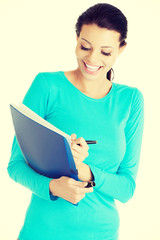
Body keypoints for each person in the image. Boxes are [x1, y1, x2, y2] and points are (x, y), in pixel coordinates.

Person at [8, 3, 144, 240]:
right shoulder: (47, 86)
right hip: (42, 233)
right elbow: (15, 166)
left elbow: (127, 188)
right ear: (77, 39)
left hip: (101, 234)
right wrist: (53, 187)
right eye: (85, 46)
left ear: (121, 49)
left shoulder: (131, 100)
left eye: (105, 51)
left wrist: (84, 171)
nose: (92, 59)